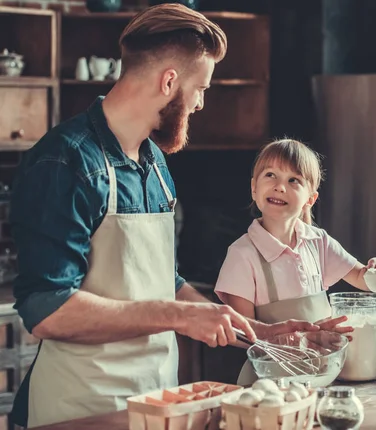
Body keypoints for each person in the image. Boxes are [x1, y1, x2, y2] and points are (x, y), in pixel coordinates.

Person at [8, 5, 342, 428]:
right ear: (169, 81)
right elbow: (47, 310)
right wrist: (180, 316)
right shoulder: (66, 162)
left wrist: (258, 332)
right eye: (200, 87)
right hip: (83, 408)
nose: (201, 103)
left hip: (158, 403)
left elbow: (160, 281)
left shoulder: (154, 163)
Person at [214, 139, 376, 384]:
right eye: (270, 175)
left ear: (310, 199)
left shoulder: (319, 242)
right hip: (270, 382)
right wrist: (294, 338)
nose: (279, 187)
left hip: (321, 374)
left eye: (293, 180)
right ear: (254, 188)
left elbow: (364, 279)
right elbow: (241, 331)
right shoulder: (243, 254)